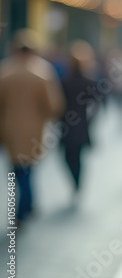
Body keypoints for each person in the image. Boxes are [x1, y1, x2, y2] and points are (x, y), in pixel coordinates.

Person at [0, 29, 65, 224]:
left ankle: (24, 206)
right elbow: (55, 105)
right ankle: (25, 206)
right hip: (34, 129)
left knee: (16, 169)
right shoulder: (42, 72)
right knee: (28, 168)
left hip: (9, 129)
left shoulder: (5, 72)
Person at [58, 40, 98, 202]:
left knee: (69, 156)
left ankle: (76, 182)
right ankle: (77, 182)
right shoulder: (84, 82)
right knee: (76, 156)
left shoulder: (65, 81)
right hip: (80, 123)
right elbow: (96, 104)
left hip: (68, 124)